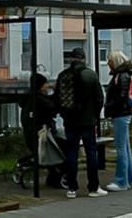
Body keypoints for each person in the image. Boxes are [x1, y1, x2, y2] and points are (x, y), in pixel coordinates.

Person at [55, 46, 107, 198]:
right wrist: (94, 115)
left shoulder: (63, 75)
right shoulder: (90, 75)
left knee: (71, 153)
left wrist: (64, 115)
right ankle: (93, 187)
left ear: (71, 58)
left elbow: (57, 98)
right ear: (83, 59)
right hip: (87, 121)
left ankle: (71, 188)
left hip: (70, 121)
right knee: (91, 153)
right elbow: (99, 98)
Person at [19, 72, 64, 188]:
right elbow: (52, 107)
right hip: (43, 138)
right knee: (62, 148)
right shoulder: (40, 101)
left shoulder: (29, 100)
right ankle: (59, 176)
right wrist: (57, 93)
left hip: (32, 137)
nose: (47, 86)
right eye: (45, 84)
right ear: (39, 86)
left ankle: (53, 175)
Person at [103, 51, 132, 191]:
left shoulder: (121, 76)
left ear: (116, 61)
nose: (108, 63)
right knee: (125, 148)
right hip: (123, 113)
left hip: (120, 114)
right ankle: (128, 178)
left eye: (110, 60)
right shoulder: (125, 74)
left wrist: (108, 107)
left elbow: (121, 97)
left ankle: (121, 181)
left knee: (121, 149)